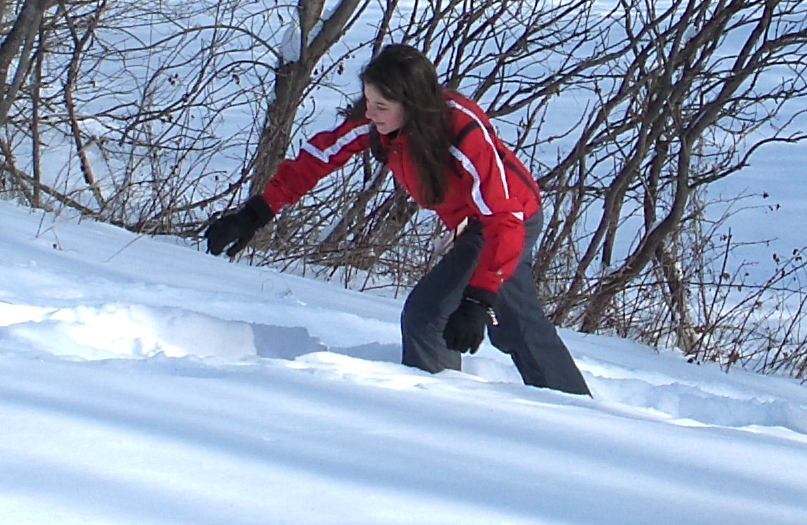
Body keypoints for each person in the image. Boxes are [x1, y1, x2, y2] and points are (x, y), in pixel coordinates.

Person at [202, 44, 592, 397]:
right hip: (479, 224)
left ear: (412, 104)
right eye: (367, 101)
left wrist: (477, 300)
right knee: (515, 322)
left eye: (380, 106)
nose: (369, 114)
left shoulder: (463, 135)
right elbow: (320, 157)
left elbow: (503, 219)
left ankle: (444, 411)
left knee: (430, 314)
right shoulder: (380, 121)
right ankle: (569, 410)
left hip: (507, 222)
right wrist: (255, 213)